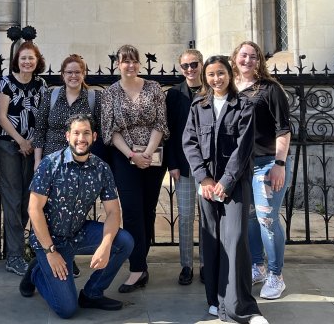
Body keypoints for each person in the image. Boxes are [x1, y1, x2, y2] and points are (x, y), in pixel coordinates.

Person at [19, 114, 134, 319]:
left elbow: (113, 212)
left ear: (94, 137)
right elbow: (34, 210)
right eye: (76, 133)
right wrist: (50, 252)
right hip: (49, 240)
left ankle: (92, 293)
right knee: (67, 309)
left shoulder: (101, 168)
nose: (81, 138)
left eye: (86, 133)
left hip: (78, 232)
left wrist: (106, 246)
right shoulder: (50, 164)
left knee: (123, 241)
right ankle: (37, 272)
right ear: (67, 136)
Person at [183, 55, 268, 324]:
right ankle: (216, 301)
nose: (216, 79)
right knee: (212, 242)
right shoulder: (199, 105)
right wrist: (204, 179)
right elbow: (190, 143)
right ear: (205, 78)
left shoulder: (243, 105)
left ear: (229, 74)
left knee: (236, 239)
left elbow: (244, 148)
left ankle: (241, 307)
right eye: (211, 74)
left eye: (220, 73)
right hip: (208, 186)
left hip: (234, 185)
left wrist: (226, 182)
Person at [100, 43, 168, 292]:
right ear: (118, 64)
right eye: (125, 61)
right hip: (124, 156)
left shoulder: (153, 88)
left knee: (148, 211)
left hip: (153, 156)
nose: (130, 65)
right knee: (131, 211)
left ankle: (142, 263)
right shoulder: (110, 94)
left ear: (139, 63)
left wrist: (147, 153)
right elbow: (109, 130)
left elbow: (160, 123)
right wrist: (132, 155)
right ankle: (136, 268)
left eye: (134, 60)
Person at [231, 41, 292, 301]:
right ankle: (258, 266)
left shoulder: (270, 89)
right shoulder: (230, 88)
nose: (248, 60)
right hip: (240, 166)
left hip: (267, 163)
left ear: (259, 62)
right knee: (250, 219)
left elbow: (283, 129)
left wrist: (279, 165)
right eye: (243, 55)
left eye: (253, 57)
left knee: (268, 220)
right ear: (235, 58)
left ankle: (276, 276)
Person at [0, 40, 48, 275]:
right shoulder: (6, 82)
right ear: (17, 60)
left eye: (31, 58)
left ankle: (20, 246)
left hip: (32, 148)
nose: (27, 62)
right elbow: (1, 116)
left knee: (29, 199)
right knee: (12, 198)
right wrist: (20, 140)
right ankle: (13, 255)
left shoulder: (41, 84)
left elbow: (42, 117)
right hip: (9, 145)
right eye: (23, 58)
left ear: (37, 62)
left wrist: (32, 143)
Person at [165, 48, 204, 285]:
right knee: (187, 217)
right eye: (185, 66)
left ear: (201, 64)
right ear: (180, 69)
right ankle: (187, 265)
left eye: (194, 64)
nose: (190, 69)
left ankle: (207, 265)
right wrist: (172, 164)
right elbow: (168, 131)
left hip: (209, 169)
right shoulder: (174, 95)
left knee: (209, 219)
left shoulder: (211, 90)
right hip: (184, 167)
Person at [33, 53, 102, 168]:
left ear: (83, 74)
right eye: (69, 72)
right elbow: (40, 130)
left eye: (77, 72)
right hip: (52, 161)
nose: (73, 76)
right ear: (63, 74)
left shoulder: (94, 98)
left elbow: (100, 133)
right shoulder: (51, 96)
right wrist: (37, 161)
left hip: (83, 161)